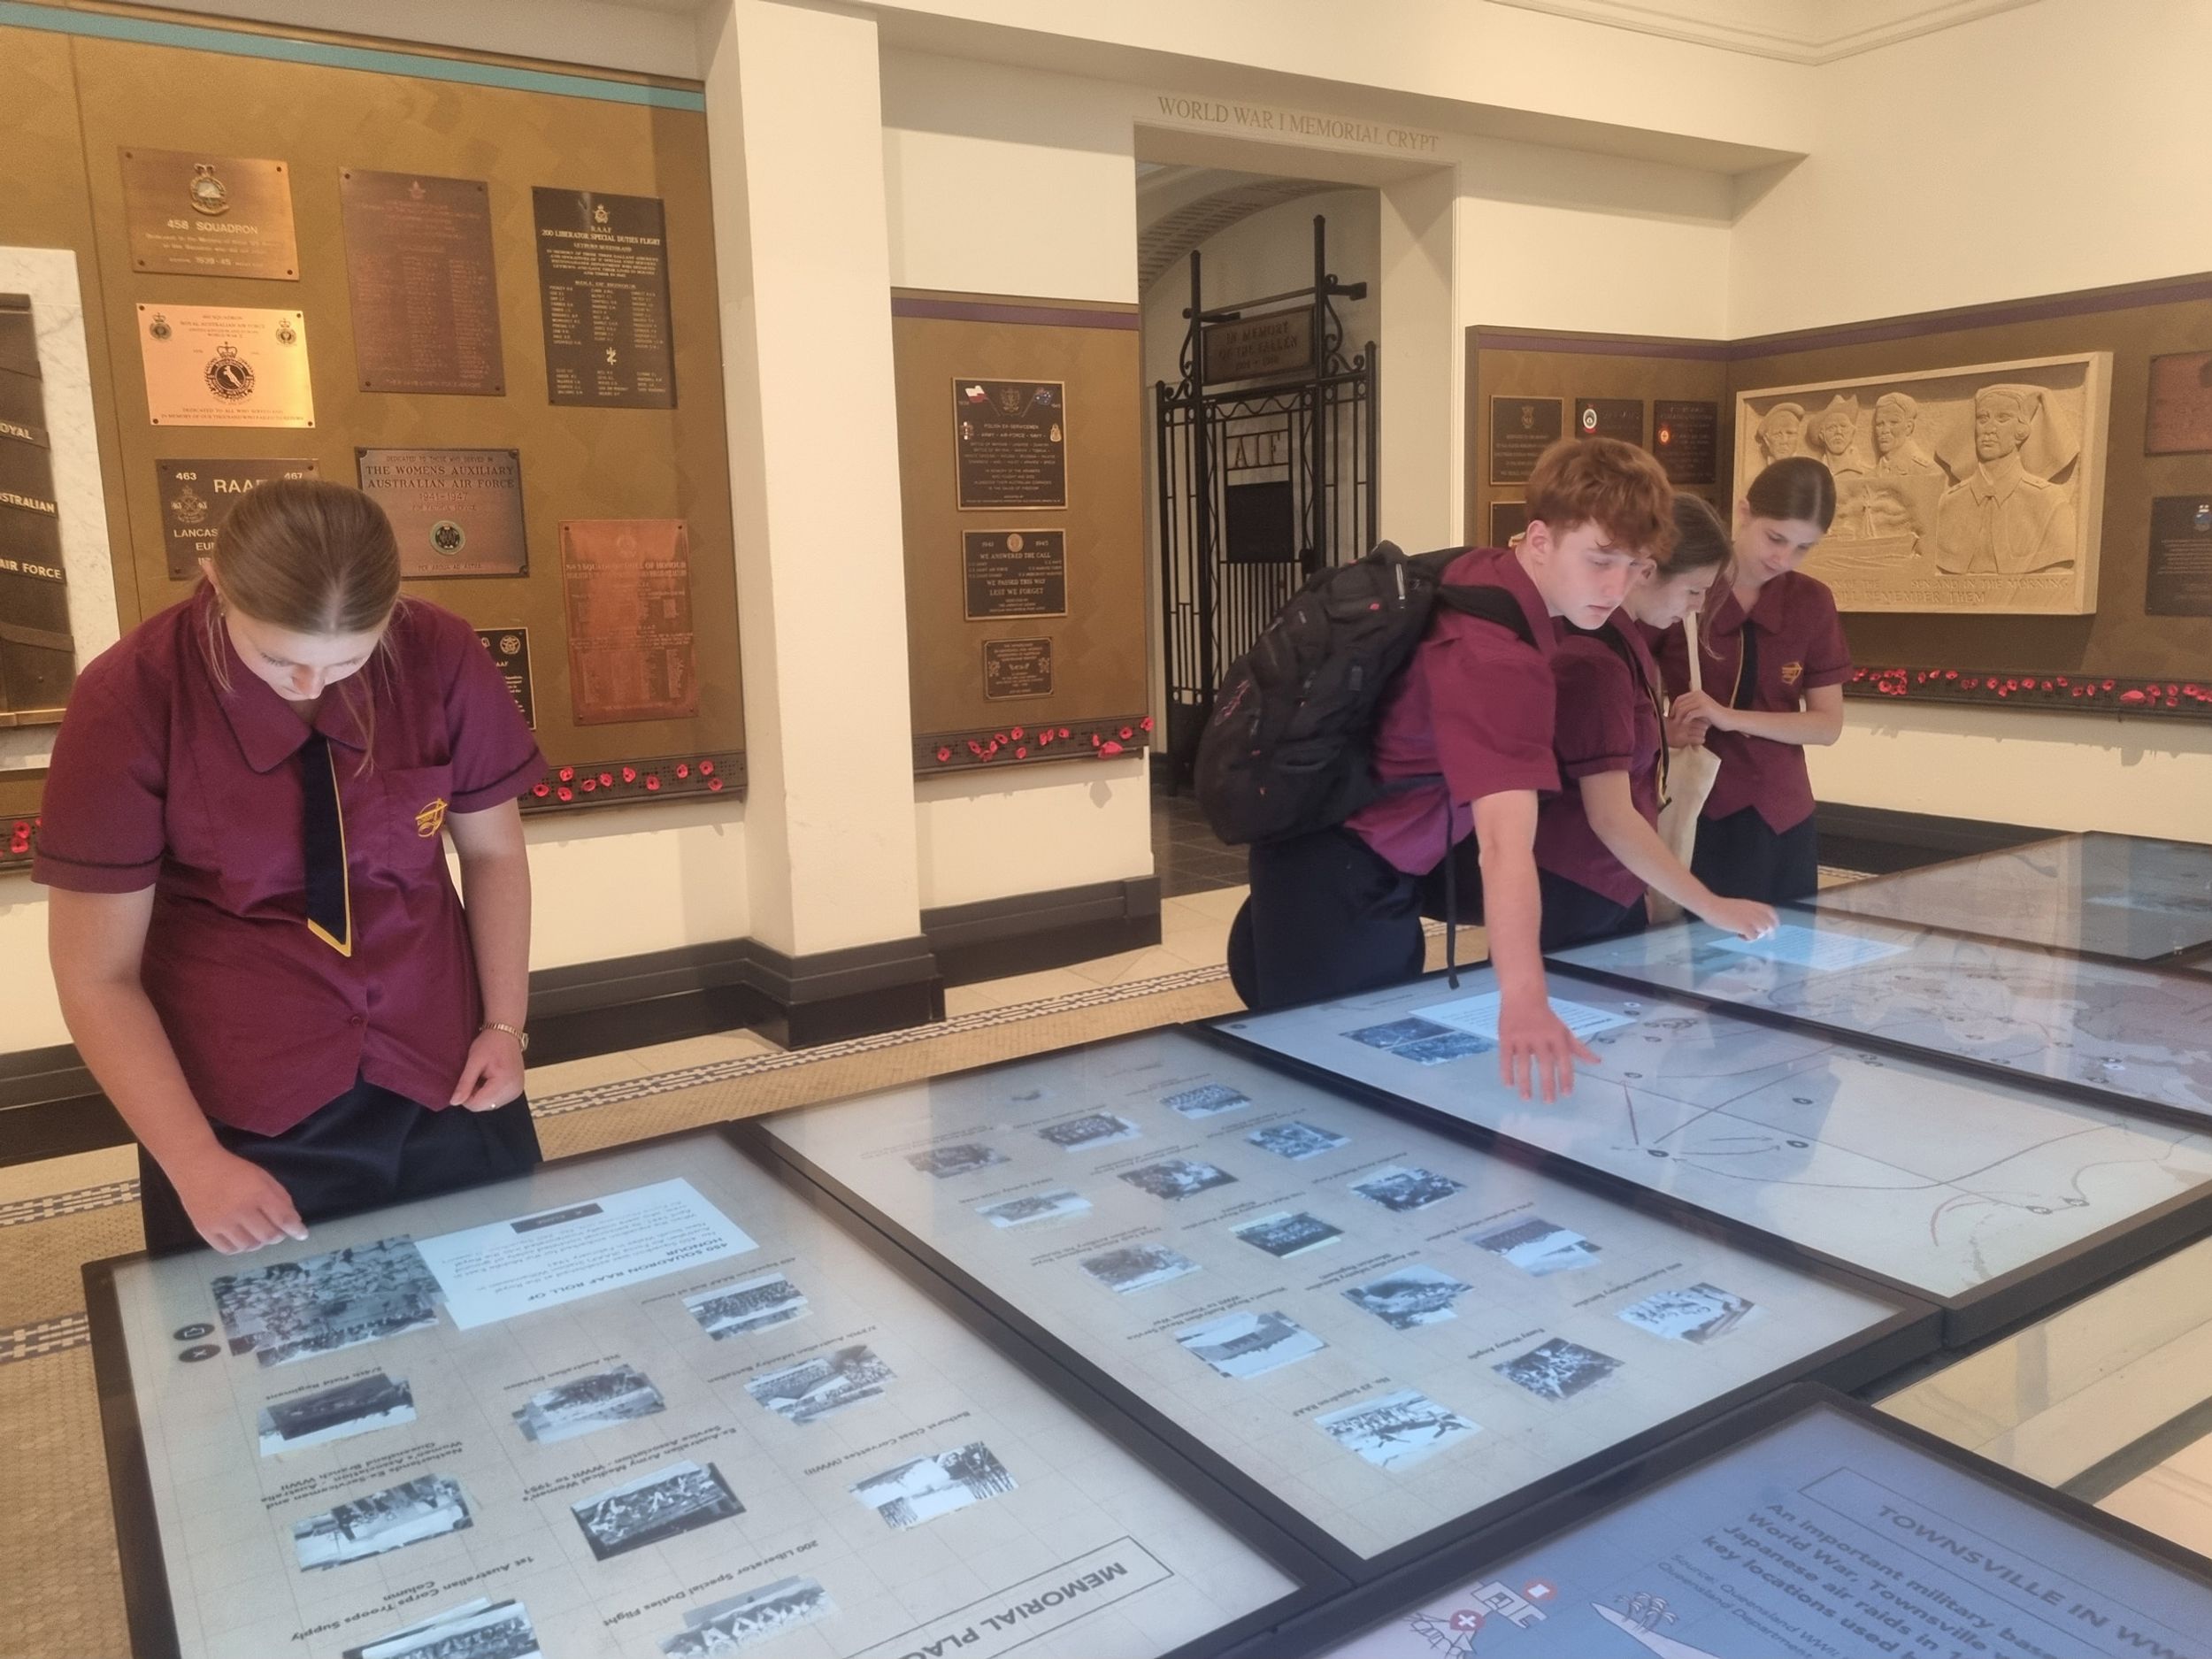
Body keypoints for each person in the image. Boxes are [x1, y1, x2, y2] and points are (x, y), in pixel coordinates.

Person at [36, 480, 544, 1255]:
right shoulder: (128, 697)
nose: (313, 685)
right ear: (217, 582)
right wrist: (193, 1161)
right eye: (279, 658)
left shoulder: (439, 651)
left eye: (350, 658)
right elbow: (96, 974)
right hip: (245, 1097)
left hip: (439, 1058)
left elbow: (493, 851)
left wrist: (505, 1023)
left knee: (497, 1287)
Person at [1227, 436, 1675, 1101]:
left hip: (1333, 852)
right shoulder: (1499, 658)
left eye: (1635, 566)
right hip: (1342, 868)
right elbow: (1503, 844)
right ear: (1541, 539)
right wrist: (1524, 997)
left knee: (1336, 1053)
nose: (1616, 587)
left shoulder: (1483, 571)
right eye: (1600, 558)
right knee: (1342, 1087)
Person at [1534, 495, 1779, 949]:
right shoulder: (1596, 660)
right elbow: (1609, 815)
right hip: (1577, 890)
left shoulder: (1623, 643)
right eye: (1694, 590)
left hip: (1608, 881)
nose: (1698, 607)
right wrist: (1711, 905)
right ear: (1646, 572)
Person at [1659, 457, 1849, 905]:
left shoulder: (1811, 601)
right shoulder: (1685, 586)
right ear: (1744, 512)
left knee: (1789, 942)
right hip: (1699, 808)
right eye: (1775, 538)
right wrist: (1666, 730)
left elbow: (1827, 725)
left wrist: (1728, 717)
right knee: (1699, 944)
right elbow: (1634, 706)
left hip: (1785, 813)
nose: (1783, 559)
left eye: (1803, 548)